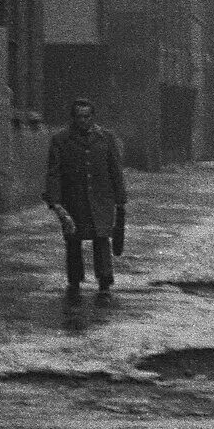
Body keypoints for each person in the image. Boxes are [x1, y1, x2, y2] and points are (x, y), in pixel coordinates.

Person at [43, 97, 127, 296]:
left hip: (101, 197)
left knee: (102, 237)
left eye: (87, 116)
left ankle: (105, 280)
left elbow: (115, 170)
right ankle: (74, 281)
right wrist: (55, 202)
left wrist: (120, 200)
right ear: (73, 118)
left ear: (93, 117)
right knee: (73, 239)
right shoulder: (61, 139)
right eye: (79, 117)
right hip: (74, 198)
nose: (83, 120)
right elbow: (54, 173)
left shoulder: (106, 138)